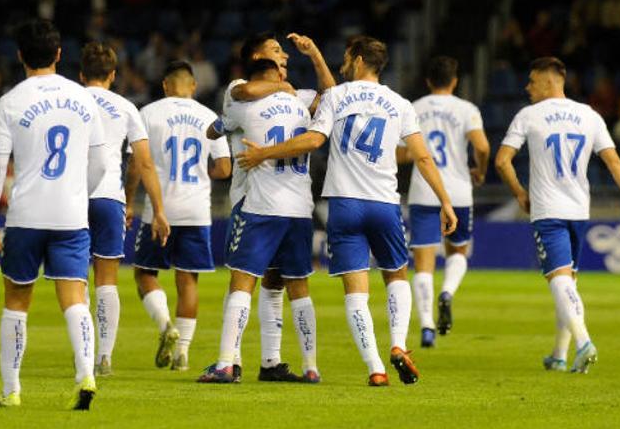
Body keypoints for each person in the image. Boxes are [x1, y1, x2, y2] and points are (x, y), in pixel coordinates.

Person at [238, 36, 457, 386]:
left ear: (357, 60)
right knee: (396, 277)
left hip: (344, 204)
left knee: (356, 293)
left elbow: (313, 140)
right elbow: (422, 156)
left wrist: (264, 153)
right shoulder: (399, 103)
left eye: (345, 58)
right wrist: (445, 200)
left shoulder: (338, 96)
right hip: (385, 203)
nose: (342, 64)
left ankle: (376, 369)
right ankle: (399, 346)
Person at [0, 19, 107, 410]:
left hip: (25, 215)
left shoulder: (10, 102)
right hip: (70, 215)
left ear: (19, 56)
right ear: (58, 54)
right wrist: (77, 194)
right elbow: (102, 163)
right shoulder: (85, 98)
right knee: (74, 297)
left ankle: (12, 390)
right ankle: (86, 374)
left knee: (17, 300)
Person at [494, 57, 620, 374]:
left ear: (550, 81)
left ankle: (584, 344)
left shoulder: (529, 115)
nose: (527, 87)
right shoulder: (589, 115)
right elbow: (614, 162)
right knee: (569, 282)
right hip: (579, 209)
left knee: (559, 280)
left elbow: (502, 161)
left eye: (532, 81)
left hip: (548, 210)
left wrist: (520, 193)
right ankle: (559, 355)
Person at [210, 31, 333, 382]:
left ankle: (247, 362)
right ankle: (299, 366)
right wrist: (283, 89)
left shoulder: (283, 96)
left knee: (254, 281)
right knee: (288, 284)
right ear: (257, 60)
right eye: (278, 52)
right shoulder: (249, 89)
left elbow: (214, 129)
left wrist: (314, 55)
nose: (286, 57)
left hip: (261, 205)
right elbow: (246, 92)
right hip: (273, 203)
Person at [126, 61, 232, 372]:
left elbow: (136, 165)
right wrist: (202, 173)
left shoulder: (149, 113)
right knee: (188, 281)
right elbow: (225, 169)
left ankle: (165, 326)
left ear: (165, 86)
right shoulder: (209, 117)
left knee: (145, 274)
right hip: (196, 209)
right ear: (193, 87)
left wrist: (129, 200)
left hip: (160, 209)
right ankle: (183, 353)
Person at [79, 42, 171, 376]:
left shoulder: (70, 100)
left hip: (71, 198)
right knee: (107, 280)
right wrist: (157, 209)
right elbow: (143, 164)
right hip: (108, 198)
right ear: (113, 75)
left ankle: (84, 355)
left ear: (80, 73)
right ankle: (105, 357)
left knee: (76, 279)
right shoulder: (126, 107)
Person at [397, 56, 490, 348]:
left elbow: (400, 155)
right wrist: (481, 170)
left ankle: (426, 326)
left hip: (424, 191)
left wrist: (418, 155)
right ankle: (447, 292)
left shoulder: (413, 108)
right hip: (459, 191)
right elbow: (483, 146)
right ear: (455, 80)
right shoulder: (466, 109)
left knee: (423, 264)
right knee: (457, 252)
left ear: (427, 80)